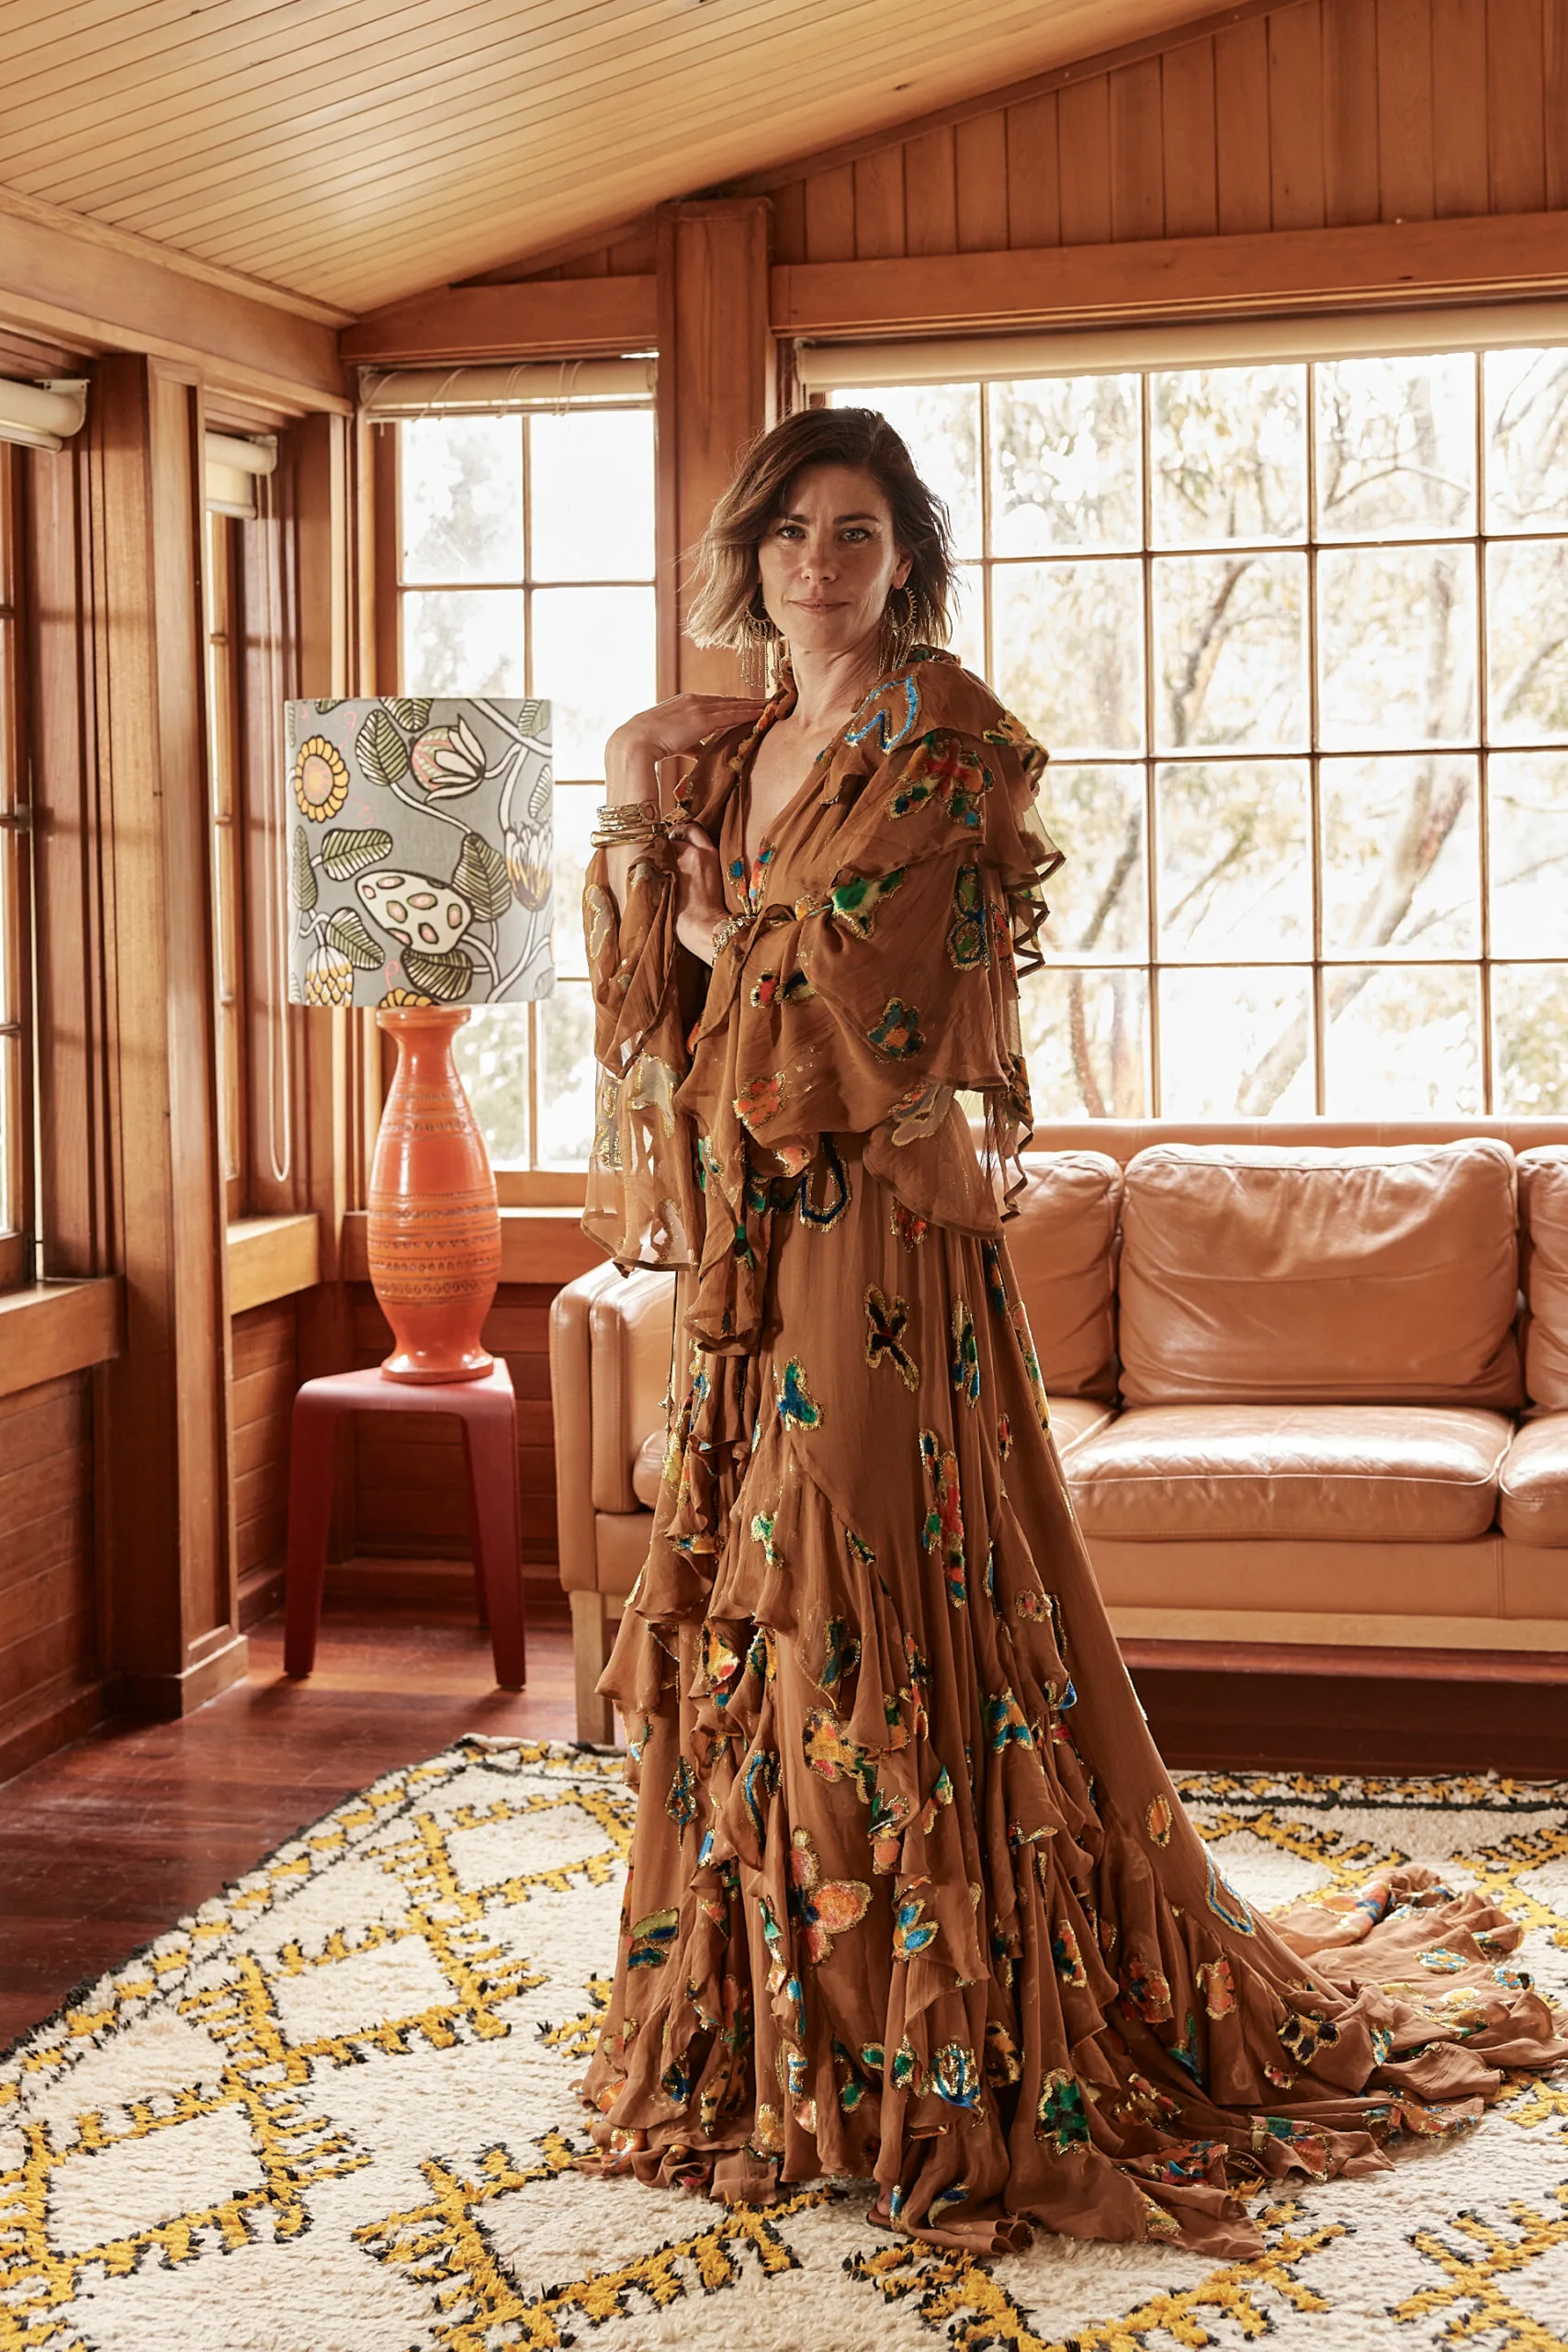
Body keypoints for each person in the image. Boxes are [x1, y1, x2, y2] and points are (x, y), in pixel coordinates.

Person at [572, 405, 1565, 2257]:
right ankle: (802, 2030)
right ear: (752, 553)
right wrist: (647, 836)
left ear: (902, 554)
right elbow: (659, 967)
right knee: (767, 1594)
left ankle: (941, 2047)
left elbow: (878, 997)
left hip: (874, 1235)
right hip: (754, 1240)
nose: (821, 563)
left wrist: (728, 937)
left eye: (856, 532)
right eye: (794, 530)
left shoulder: (943, 736)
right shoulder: (742, 741)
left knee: (867, 1577)